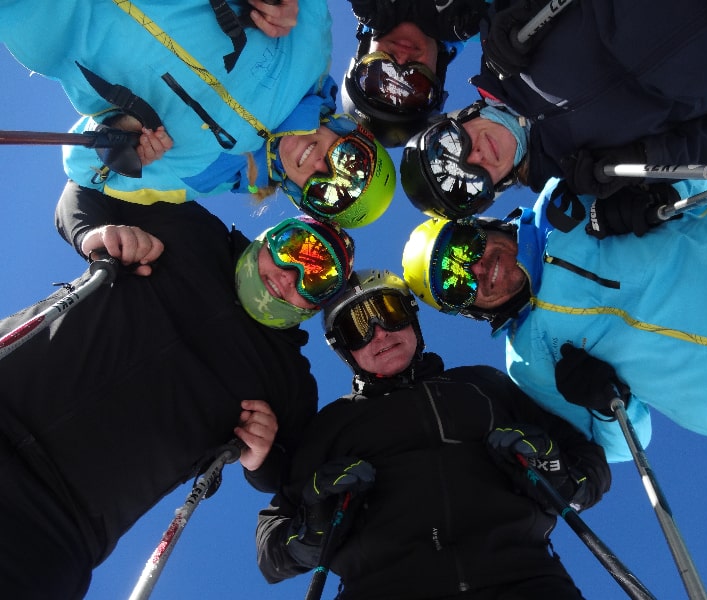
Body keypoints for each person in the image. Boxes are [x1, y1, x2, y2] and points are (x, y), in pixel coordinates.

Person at [0, 180, 356, 599]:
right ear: (270, 237)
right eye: (293, 250)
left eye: (317, 281)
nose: (290, 276)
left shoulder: (290, 382)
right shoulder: (190, 228)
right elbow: (85, 186)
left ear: (318, 304)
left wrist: (260, 456)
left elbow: (287, 476)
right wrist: (94, 233)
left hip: (58, 525)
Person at [254, 269, 611, 599]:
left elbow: (589, 467)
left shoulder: (484, 384)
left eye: (389, 312)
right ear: (344, 349)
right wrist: (313, 529)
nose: (379, 332)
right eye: (356, 327)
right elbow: (271, 554)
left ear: (412, 317)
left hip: (523, 580)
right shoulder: (331, 425)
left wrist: (554, 470)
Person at [402, 177, 707, 463]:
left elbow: (695, 162)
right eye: (456, 284)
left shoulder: (566, 195)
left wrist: (661, 191)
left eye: (463, 247)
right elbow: (623, 447)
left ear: (482, 225)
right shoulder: (528, 362)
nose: (475, 268)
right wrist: (604, 408)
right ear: (468, 310)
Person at [0, 1, 396, 229]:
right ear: (351, 131)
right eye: (350, 161)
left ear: (299, 196)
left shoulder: (201, 176)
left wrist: (119, 139)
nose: (323, 168)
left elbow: (81, 166)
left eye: (326, 193)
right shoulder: (310, 50)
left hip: (40, 18)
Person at [399, 0, 707, 220]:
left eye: (449, 149)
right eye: (469, 184)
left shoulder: (506, 42)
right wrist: (648, 158)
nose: (474, 159)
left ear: (454, 120)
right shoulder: (594, 169)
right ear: (495, 190)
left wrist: (519, 6)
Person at [341, 0, 489, 147]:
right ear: (438, 72)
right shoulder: (492, 21)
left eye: (382, 70)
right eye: (414, 81)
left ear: (364, 53)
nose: (401, 58)